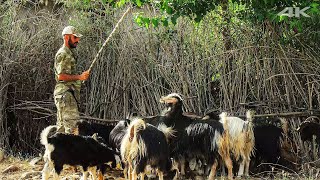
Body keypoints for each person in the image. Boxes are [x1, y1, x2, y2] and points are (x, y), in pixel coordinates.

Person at [54, 26, 90, 133]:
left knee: (61, 131)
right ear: (66, 37)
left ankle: (59, 149)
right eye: (74, 38)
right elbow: (61, 76)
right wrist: (79, 77)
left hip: (66, 95)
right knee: (73, 129)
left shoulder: (69, 53)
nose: (77, 40)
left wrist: (79, 79)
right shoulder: (63, 53)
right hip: (66, 95)